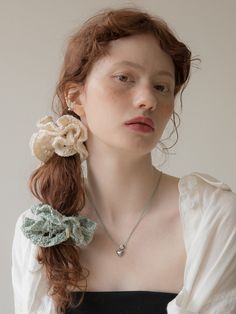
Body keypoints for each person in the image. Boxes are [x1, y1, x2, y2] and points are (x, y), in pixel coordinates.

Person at [11, 7, 236, 314]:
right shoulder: (36, 231)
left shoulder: (215, 218)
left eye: (161, 86)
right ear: (75, 97)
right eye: (124, 78)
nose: (148, 99)